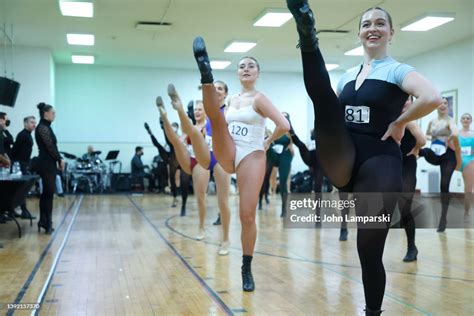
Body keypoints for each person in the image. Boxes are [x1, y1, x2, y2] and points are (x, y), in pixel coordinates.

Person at [285, 1, 441, 313]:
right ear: (359, 33)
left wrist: (400, 122)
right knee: (323, 98)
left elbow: (432, 97)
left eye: (380, 23)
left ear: (391, 33)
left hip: (380, 164)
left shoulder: (398, 70)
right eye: (367, 24)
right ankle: (307, 34)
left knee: (367, 250)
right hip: (346, 158)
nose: (373, 28)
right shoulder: (346, 77)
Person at [193, 37, 290, 291]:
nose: (246, 69)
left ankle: (246, 266)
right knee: (216, 114)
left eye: (251, 66)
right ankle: (206, 73)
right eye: (242, 66)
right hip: (229, 149)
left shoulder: (260, 98)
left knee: (246, 215)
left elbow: (284, 125)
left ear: (257, 73)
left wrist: (268, 141)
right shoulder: (232, 99)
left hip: (252, 155)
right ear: (237, 74)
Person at [158, 83, 231, 256]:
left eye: (200, 109)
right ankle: (170, 113)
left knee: (223, 201)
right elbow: (185, 135)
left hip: (221, 158)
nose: (198, 111)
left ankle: (226, 239)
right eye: (196, 109)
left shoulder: (227, 112)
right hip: (201, 158)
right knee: (179, 139)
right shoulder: (202, 121)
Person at [419, 98, 462, 232]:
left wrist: (448, 140)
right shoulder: (432, 122)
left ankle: (443, 219)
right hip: (435, 154)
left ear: (447, 106)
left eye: (445, 103)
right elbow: (426, 135)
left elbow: (455, 132)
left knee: (443, 186)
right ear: (436, 106)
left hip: (448, 157)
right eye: (440, 103)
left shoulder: (450, 120)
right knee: (424, 151)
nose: (442, 105)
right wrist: (432, 138)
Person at [397, 96, 426, 262]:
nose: (403, 102)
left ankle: (411, 247)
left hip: (407, 166)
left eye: (407, 100)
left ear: (412, 102)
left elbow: (422, 140)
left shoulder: (410, 121)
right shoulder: (395, 119)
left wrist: (415, 150)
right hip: (393, 165)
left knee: (405, 208)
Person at [35, 102, 65, 234]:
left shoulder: (46, 127)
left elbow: (53, 147)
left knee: (47, 193)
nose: (55, 115)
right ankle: (46, 222)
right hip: (46, 163)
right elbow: (50, 147)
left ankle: (45, 221)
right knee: (48, 193)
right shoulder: (42, 127)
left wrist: (58, 158)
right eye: (53, 113)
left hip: (49, 163)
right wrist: (59, 159)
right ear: (45, 113)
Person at [260, 112, 294, 217]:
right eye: (281, 116)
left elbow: (294, 143)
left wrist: (292, 146)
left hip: (285, 155)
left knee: (283, 182)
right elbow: (270, 140)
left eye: (285, 117)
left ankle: (284, 209)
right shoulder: (275, 130)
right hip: (273, 155)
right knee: (264, 177)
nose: (282, 118)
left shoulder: (290, 132)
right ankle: (260, 200)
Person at [11, 116, 37, 218]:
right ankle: (22, 210)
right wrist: (16, 164)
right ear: (25, 124)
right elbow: (15, 150)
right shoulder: (22, 135)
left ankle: (22, 210)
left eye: (35, 123)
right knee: (22, 189)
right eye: (31, 122)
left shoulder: (28, 135)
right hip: (19, 165)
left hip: (24, 164)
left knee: (23, 189)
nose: (34, 124)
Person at [458, 113, 474, 221]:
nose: (465, 120)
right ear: (460, 120)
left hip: (470, 161)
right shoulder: (456, 133)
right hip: (458, 160)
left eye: (468, 118)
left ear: (471, 121)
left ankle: (466, 213)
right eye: (463, 118)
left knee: (468, 189)